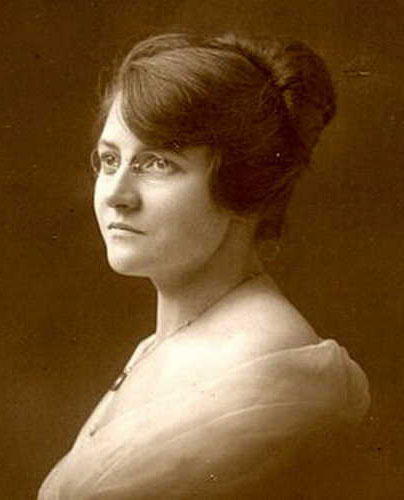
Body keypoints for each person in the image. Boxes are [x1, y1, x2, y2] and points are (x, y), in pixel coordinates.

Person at [38, 32, 370, 499]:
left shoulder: (263, 373)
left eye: (158, 164)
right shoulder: (167, 340)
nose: (115, 194)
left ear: (242, 186)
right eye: (110, 160)